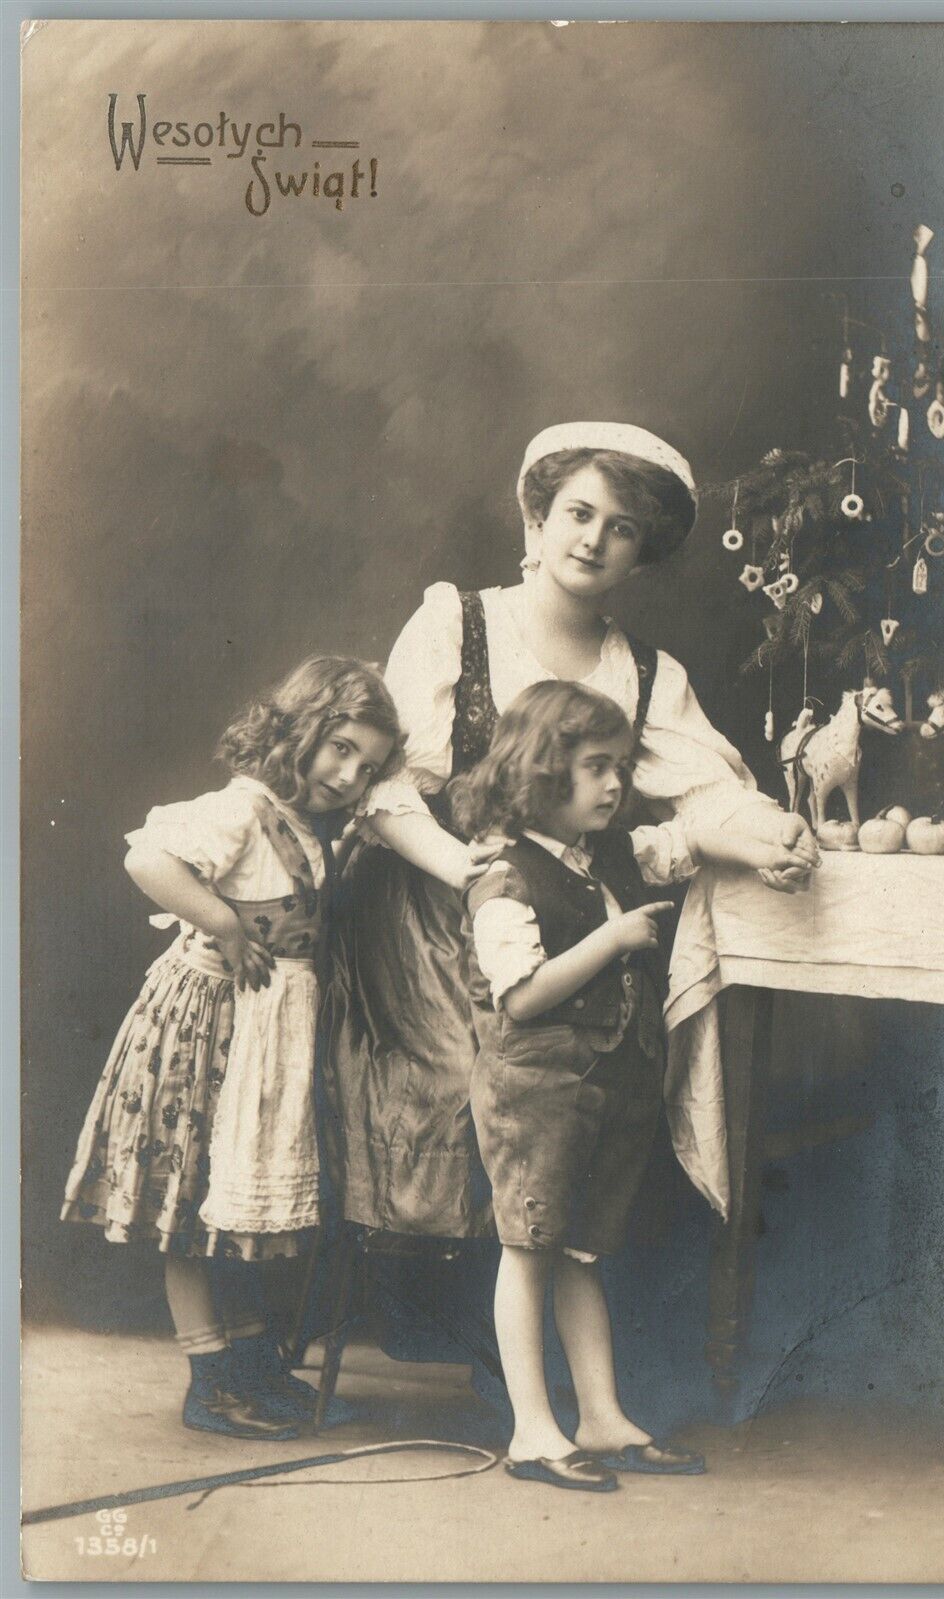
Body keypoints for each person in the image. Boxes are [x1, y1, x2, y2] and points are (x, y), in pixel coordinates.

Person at [331, 421, 817, 1247]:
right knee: (482, 1074)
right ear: (537, 520)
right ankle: (469, 1308)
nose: (593, 539)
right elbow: (381, 792)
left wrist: (771, 835)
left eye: (620, 527)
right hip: (422, 911)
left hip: (561, 920)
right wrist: (465, 867)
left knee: (585, 1079)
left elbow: (709, 794)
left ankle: (526, 1298)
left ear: (640, 552)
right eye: (578, 512)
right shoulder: (460, 623)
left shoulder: (648, 675)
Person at [453, 680, 807, 1491]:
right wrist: (614, 939)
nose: (616, 784)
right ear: (542, 771)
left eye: (620, 767)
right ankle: (533, 1430)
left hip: (605, 1084)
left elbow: (683, 844)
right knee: (529, 1249)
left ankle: (601, 1414)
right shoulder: (503, 878)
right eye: (597, 767)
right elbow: (522, 995)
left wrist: (762, 848)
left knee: (581, 1249)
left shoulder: (604, 851)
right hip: (537, 1092)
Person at [61, 657, 402, 1439]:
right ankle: (209, 1378)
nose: (350, 775)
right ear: (300, 730)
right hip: (204, 1029)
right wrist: (221, 921)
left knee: (230, 1206)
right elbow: (147, 858)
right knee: (190, 1201)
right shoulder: (242, 809)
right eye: (340, 748)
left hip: (262, 1033)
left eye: (368, 764)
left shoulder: (305, 826)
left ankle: (251, 1366)